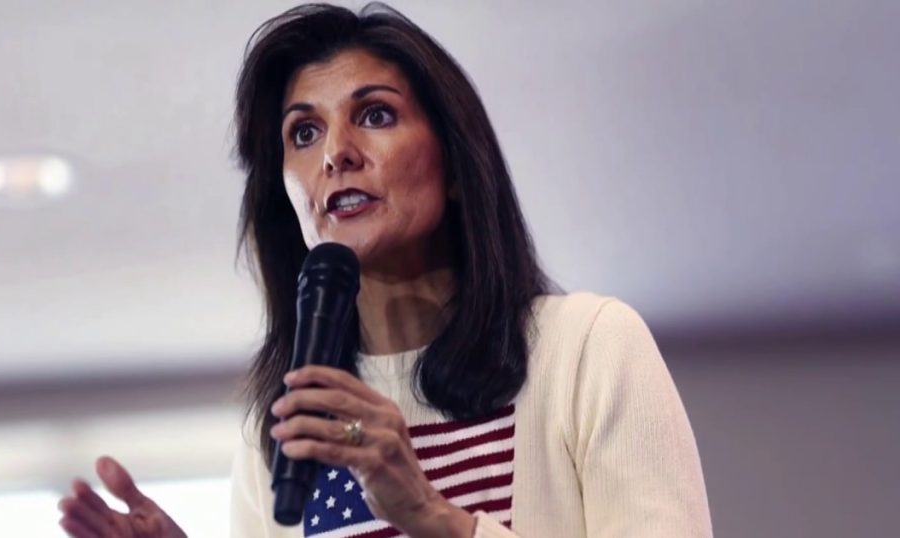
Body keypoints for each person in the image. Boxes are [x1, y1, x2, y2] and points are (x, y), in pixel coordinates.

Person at [57, 3, 713, 537]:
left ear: (455, 166)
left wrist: (431, 517)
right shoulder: (281, 433)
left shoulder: (588, 348)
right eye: (304, 133)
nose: (336, 154)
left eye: (375, 115)